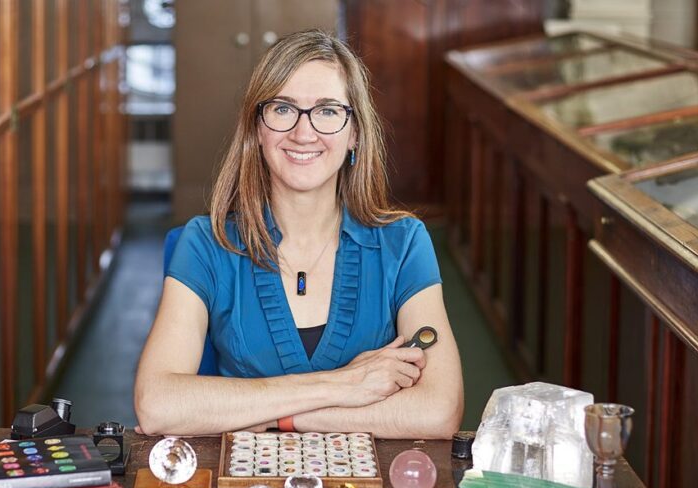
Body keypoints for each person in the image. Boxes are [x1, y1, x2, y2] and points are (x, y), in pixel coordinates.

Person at [135, 30, 463, 438]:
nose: (303, 133)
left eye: (327, 111)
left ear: (355, 132)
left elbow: (438, 410)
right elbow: (157, 405)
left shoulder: (404, 242)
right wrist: (344, 384)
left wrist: (276, 417)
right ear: (257, 129)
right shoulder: (206, 242)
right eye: (282, 109)